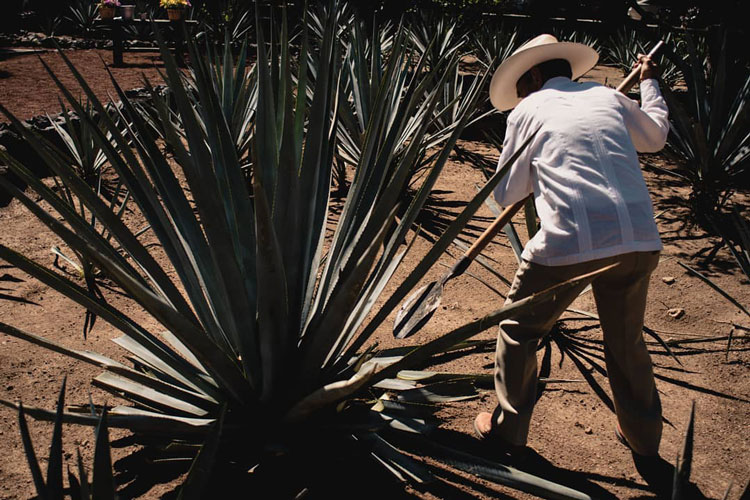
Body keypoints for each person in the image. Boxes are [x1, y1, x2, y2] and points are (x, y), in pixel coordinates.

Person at [473, 34, 670, 460]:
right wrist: (650, 83)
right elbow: (655, 139)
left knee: (519, 330)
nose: (520, 95)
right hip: (638, 239)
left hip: (570, 243)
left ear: (536, 75)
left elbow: (506, 193)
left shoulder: (527, 110)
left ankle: (509, 433)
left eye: (521, 86)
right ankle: (644, 439)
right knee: (626, 341)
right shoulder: (605, 96)